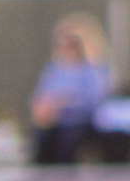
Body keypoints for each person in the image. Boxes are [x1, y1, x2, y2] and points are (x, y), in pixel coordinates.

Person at [30, 13, 111, 165]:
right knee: (42, 138)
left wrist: (65, 103)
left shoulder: (91, 70)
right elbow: (42, 95)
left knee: (68, 141)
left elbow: (95, 99)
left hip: (80, 123)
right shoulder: (54, 70)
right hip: (55, 123)